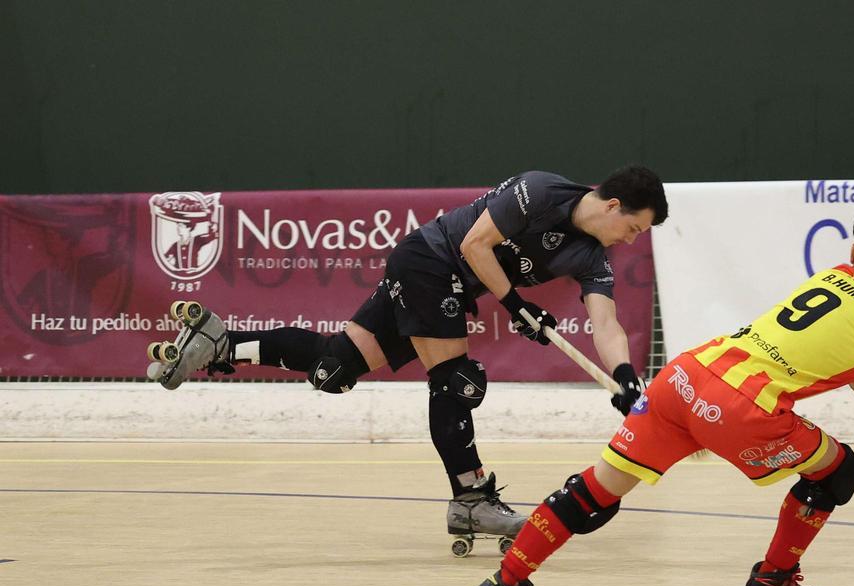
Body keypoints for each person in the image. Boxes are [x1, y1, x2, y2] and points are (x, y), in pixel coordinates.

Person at [440, 201, 854, 586]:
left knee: (594, 492)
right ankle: (773, 585)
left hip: (685, 377)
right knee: (836, 472)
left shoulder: (830, 278)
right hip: (744, 411)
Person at [150, 166, 669, 552]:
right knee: (457, 380)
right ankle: (471, 499)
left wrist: (625, 378)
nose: (631, 239)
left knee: (335, 368)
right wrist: (516, 305)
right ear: (613, 205)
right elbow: (476, 245)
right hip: (430, 260)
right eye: (635, 228)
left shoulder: (593, 257)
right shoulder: (541, 191)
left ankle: (220, 344)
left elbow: (606, 323)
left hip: (442, 281)